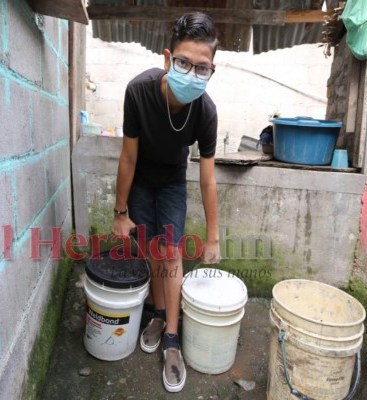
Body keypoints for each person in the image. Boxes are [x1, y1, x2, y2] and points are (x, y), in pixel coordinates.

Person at [111, 11, 221, 393]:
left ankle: (171, 339)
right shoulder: (138, 92)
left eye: (202, 67)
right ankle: (157, 315)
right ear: (167, 58)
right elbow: (127, 158)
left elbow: (207, 179)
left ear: (212, 70)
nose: (192, 73)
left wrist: (213, 236)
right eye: (184, 63)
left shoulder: (205, 111)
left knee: (170, 253)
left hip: (173, 182)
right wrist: (120, 211)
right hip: (141, 180)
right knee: (151, 251)